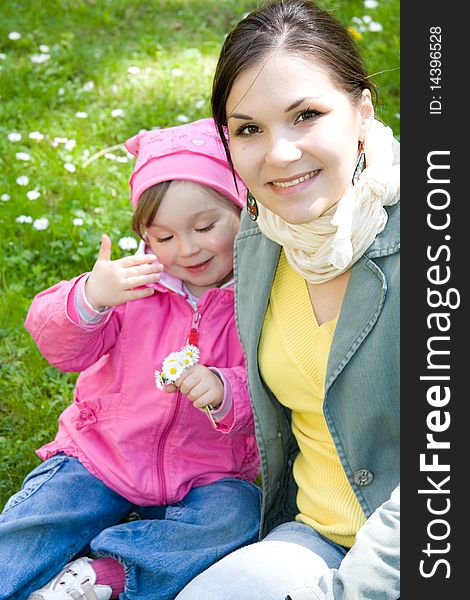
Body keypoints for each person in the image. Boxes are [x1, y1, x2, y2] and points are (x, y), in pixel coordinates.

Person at [175, 1, 400, 599]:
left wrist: (362, 587)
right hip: (315, 536)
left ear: (361, 112)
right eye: (249, 128)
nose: (278, 155)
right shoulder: (261, 240)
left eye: (305, 115)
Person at [0, 117, 261, 600]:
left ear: (243, 208)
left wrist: (228, 391)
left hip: (209, 471)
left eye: (205, 226)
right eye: (162, 237)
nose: (186, 248)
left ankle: (106, 577)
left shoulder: (263, 297)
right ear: (144, 235)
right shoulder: (131, 288)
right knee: (42, 516)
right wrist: (90, 299)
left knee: (237, 519)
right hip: (103, 454)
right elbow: (61, 349)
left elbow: (277, 386)